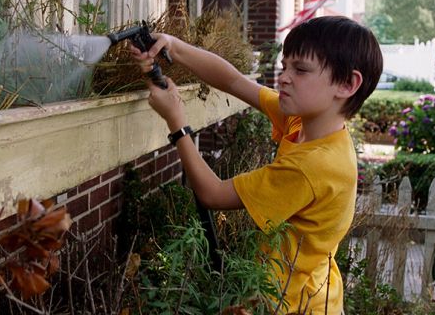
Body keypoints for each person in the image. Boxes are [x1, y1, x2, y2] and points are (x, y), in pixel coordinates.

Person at [130, 16, 383, 314]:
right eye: (285, 66)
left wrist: (177, 122)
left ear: (347, 84)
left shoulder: (315, 165)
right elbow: (235, 81)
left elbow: (212, 194)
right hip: (310, 290)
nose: (284, 77)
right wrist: (173, 46)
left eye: (300, 70)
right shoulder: (304, 123)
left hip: (292, 305)